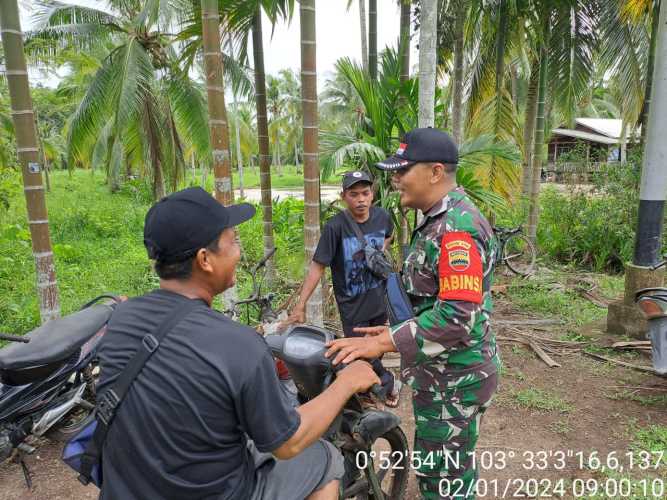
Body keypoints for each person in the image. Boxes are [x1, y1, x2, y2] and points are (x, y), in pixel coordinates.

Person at [96, 187, 379, 500]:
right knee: (323, 459)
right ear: (205, 259)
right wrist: (347, 382)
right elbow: (288, 443)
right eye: (234, 241)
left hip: (128, 488)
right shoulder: (239, 343)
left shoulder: (119, 318)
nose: (239, 252)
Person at [325, 128, 501, 499]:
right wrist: (389, 333)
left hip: (455, 382)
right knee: (438, 471)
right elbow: (432, 304)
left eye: (403, 170)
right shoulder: (437, 222)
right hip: (440, 378)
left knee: (445, 484)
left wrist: (387, 342)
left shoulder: (457, 230)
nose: (395, 178)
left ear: (435, 172)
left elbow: (457, 316)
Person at [282, 171, 401, 406]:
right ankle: (385, 382)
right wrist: (301, 304)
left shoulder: (382, 217)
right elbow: (318, 267)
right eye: (354, 194)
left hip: (380, 298)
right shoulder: (335, 227)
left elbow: (389, 236)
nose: (361, 200)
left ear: (372, 194)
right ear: (343, 196)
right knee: (358, 350)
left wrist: (376, 254)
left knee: (377, 348)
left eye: (365, 193)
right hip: (352, 305)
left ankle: (372, 386)